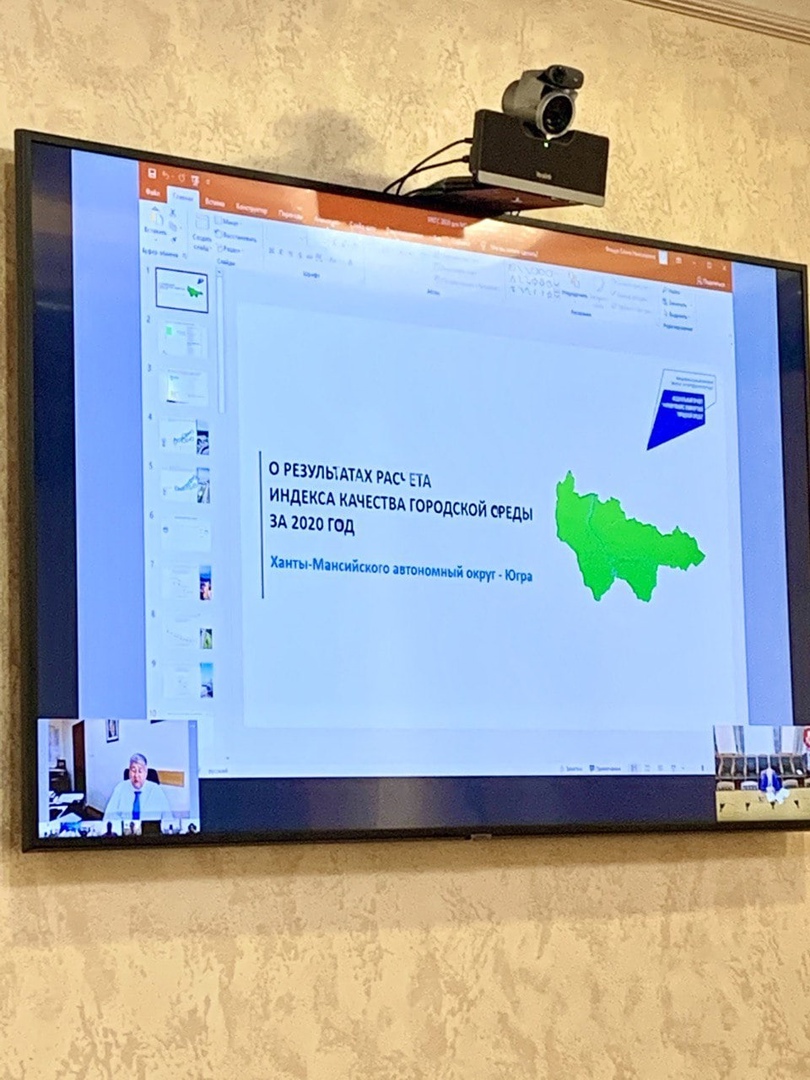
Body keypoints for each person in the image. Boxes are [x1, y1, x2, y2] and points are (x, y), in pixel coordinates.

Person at [103, 753, 173, 823]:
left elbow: (168, 819)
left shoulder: (156, 790)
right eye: (133, 771)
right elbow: (107, 817)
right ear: (129, 772)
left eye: (140, 771)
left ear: (146, 773)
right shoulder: (120, 788)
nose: (136, 775)